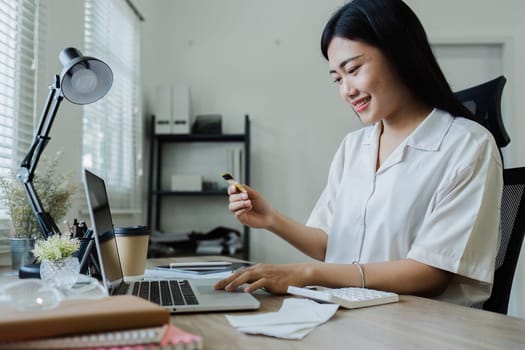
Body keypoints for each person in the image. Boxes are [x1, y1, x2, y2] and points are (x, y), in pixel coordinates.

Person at [214, 0, 503, 306]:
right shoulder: (353, 147)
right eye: (337, 78)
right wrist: (272, 219)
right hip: (348, 315)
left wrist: (310, 273)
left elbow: (431, 273)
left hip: (423, 327)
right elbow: (332, 246)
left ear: (400, 55)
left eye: (353, 70)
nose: (346, 90)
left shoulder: (468, 146)